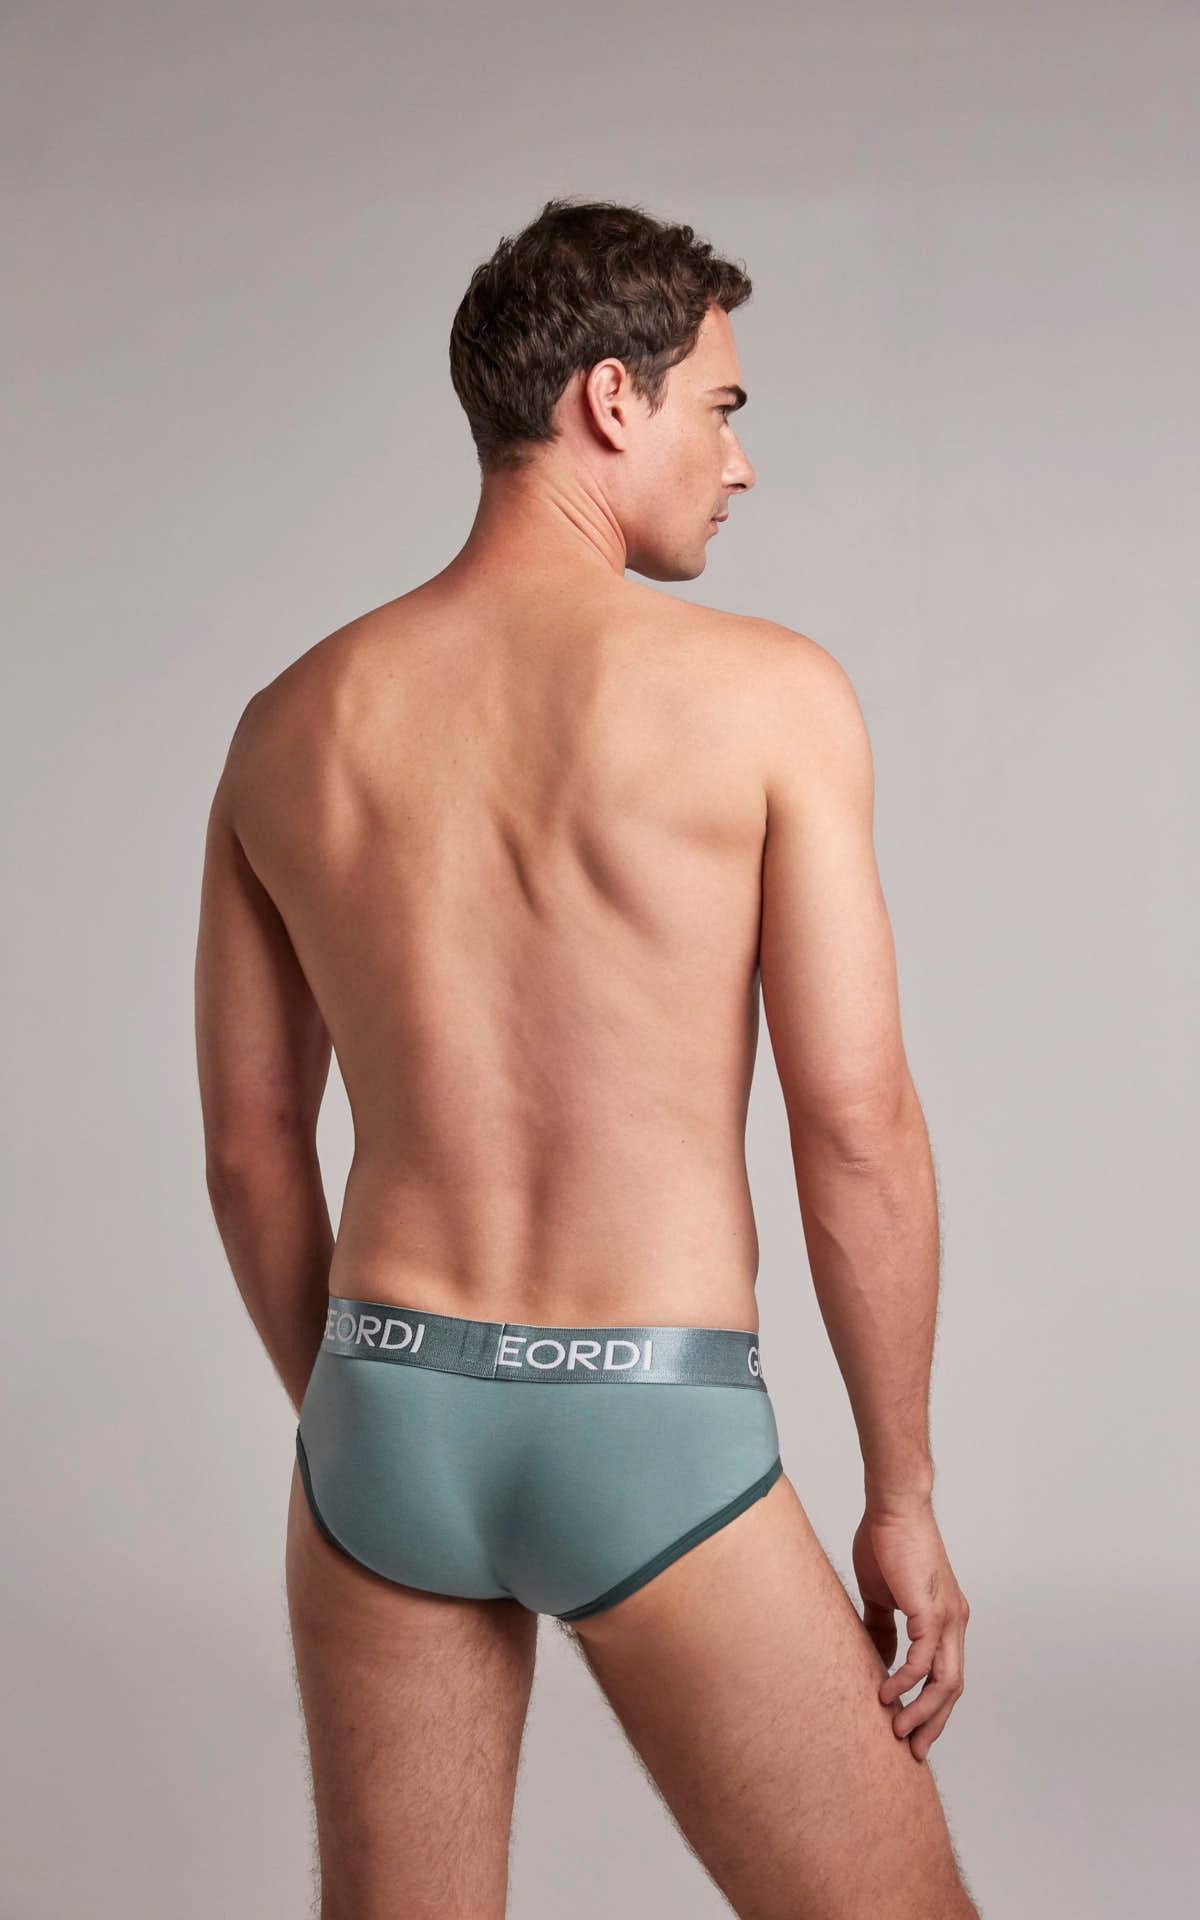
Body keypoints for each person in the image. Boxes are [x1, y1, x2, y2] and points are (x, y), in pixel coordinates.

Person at [195, 196, 979, 1919]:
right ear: (611, 400)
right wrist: (903, 1494)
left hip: (383, 1404)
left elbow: (253, 1149)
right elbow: (856, 1127)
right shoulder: (770, 696)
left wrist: (374, 1421)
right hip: (648, 1418)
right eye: (723, 407)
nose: (740, 462)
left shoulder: (289, 724)